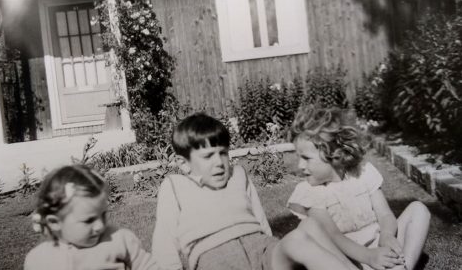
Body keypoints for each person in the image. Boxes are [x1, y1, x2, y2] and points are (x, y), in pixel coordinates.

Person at [152, 112, 359, 270]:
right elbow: (164, 244)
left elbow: (260, 221)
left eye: (223, 153)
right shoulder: (175, 186)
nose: (219, 163)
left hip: (261, 248)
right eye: (208, 156)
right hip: (215, 258)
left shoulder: (238, 175)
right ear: (184, 163)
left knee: (309, 227)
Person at [287, 106, 431, 270]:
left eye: (306, 158)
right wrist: (368, 257)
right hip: (346, 259)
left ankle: (405, 266)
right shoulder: (309, 192)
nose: (300, 165)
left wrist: (387, 234)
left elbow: (384, 213)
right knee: (313, 240)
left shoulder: (363, 174)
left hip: (377, 247)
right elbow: (334, 236)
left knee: (418, 209)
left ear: (334, 155)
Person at [24, 164, 157, 270]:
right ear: (54, 222)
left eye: (103, 214)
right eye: (88, 220)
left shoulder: (119, 240)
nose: (100, 226)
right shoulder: (39, 260)